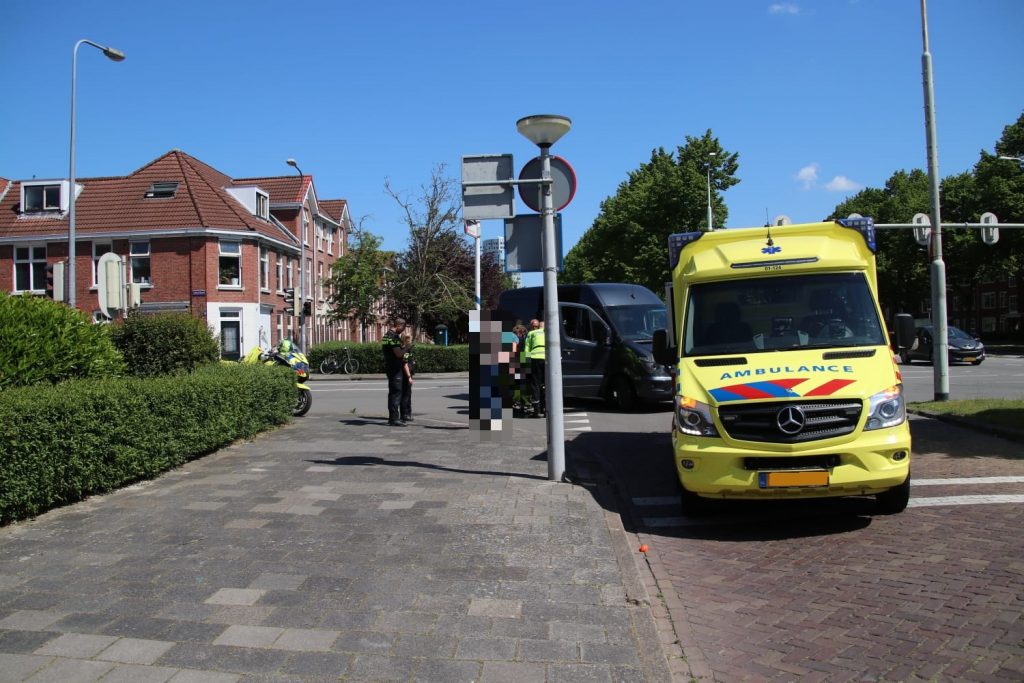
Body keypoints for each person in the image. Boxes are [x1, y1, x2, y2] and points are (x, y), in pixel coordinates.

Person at [382, 317, 407, 426]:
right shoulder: (393, 336)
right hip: (395, 368)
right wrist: (407, 347)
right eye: (403, 328)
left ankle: (393, 417)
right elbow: (398, 354)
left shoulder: (387, 335)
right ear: (399, 325)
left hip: (391, 366)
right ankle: (394, 419)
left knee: (393, 392)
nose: (403, 330)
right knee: (396, 393)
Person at [524, 318, 546, 417]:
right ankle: (545, 409)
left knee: (535, 384)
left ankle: (536, 411)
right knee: (546, 385)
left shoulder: (531, 333)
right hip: (547, 359)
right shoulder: (549, 333)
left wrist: (524, 364)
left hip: (535, 358)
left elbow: (526, 349)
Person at [399, 330, 414, 423]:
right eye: (408, 337)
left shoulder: (406, 348)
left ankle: (406, 413)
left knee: (407, 395)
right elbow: (405, 364)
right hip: (405, 375)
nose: (409, 339)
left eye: (409, 337)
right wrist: (409, 376)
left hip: (406, 374)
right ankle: (405, 414)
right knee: (406, 395)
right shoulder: (405, 349)